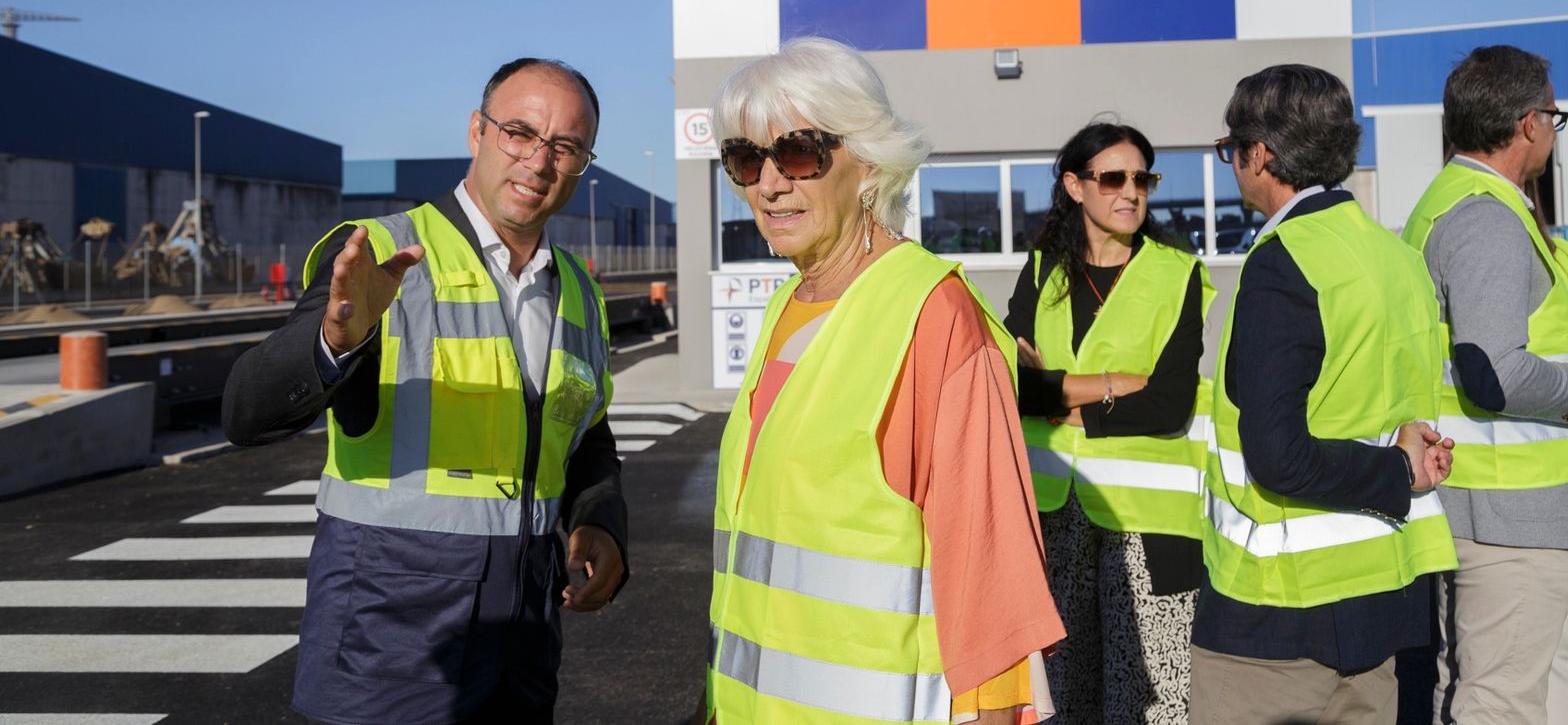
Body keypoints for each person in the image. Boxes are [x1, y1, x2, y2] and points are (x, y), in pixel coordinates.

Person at [222, 57, 627, 725]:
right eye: (520, 132)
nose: (539, 160)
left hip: (521, 636)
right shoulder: (381, 254)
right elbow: (245, 411)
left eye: (566, 147)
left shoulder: (579, 289)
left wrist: (602, 519)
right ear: (477, 130)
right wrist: (334, 339)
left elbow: (585, 432)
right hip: (388, 638)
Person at [704, 37, 1064, 724]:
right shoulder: (790, 304)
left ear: (867, 159)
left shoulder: (934, 314)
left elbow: (992, 583)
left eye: (799, 152)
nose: (770, 183)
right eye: (746, 159)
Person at [1190, 64, 1457, 724]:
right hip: (1383, 600)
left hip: (1276, 617)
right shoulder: (1398, 258)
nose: (1231, 163)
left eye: (1231, 150)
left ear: (1261, 153)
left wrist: (1394, 469)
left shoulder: (1283, 259)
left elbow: (1278, 455)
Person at [1400, 45, 1568, 724]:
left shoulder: (1459, 203)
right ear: (1527, 123)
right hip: (1512, 512)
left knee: (1531, 684)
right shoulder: (1487, 217)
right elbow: (1494, 372)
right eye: (1554, 114)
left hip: (1504, 507)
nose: (1552, 130)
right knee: (1505, 701)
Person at [1004, 121, 1213, 724]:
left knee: (1148, 706)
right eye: (1113, 178)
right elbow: (1012, 384)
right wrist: (1115, 384)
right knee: (1061, 701)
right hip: (1054, 518)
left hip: (1150, 530)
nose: (1131, 192)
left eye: (1142, 178)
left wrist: (1059, 396)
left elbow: (1170, 402)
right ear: (1074, 186)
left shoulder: (1178, 275)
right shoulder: (1043, 270)